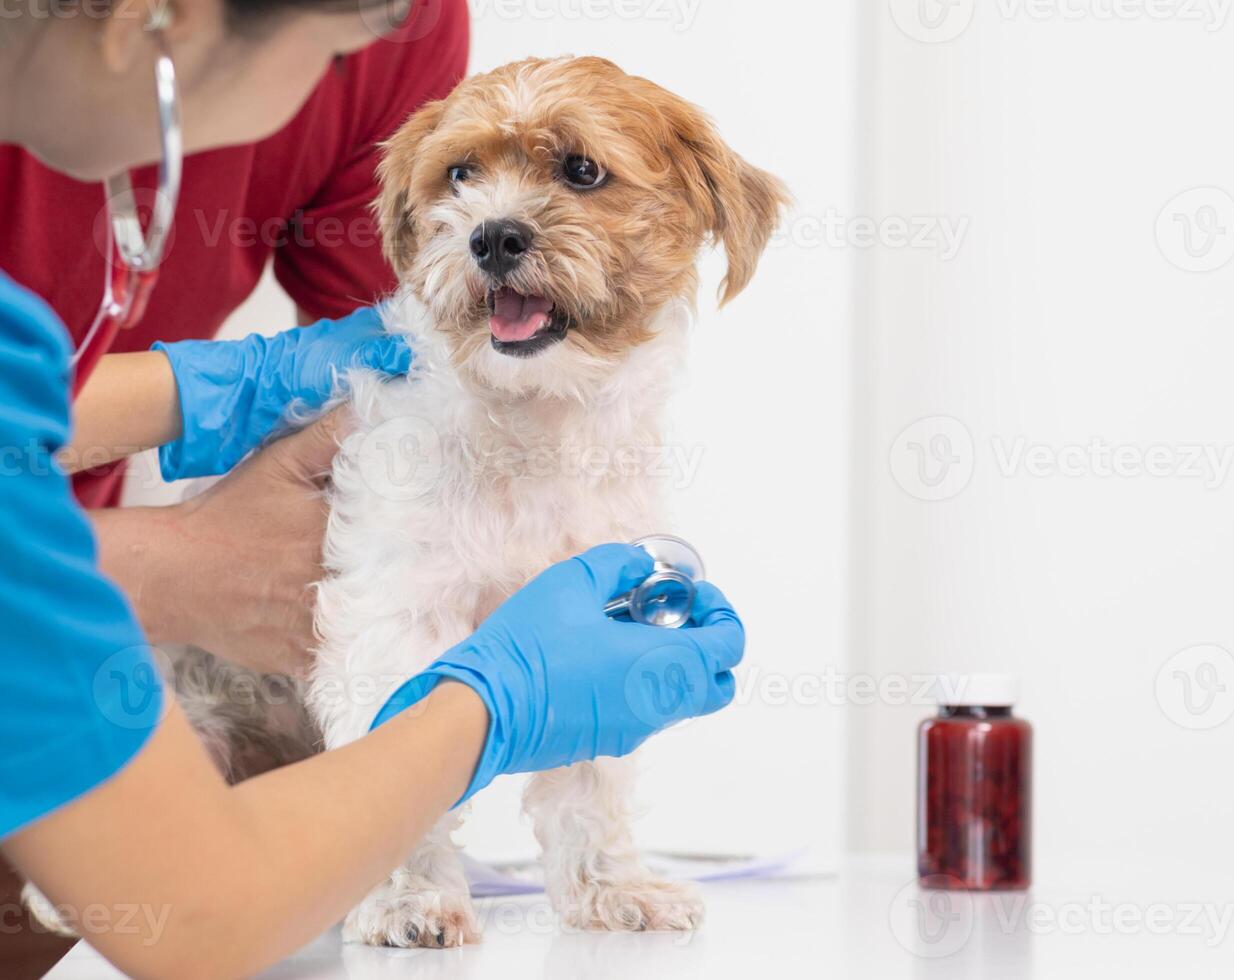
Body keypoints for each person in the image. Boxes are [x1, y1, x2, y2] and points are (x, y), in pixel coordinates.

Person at [0, 1, 745, 977]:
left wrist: (192, 393)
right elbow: (196, 915)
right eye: (337, 53)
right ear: (151, 26)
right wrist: (488, 706)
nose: (360, 79)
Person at [1, 0, 469, 679]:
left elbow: (356, 464)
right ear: (153, 20)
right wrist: (163, 571)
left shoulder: (394, 21)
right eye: (333, 54)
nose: (345, 72)